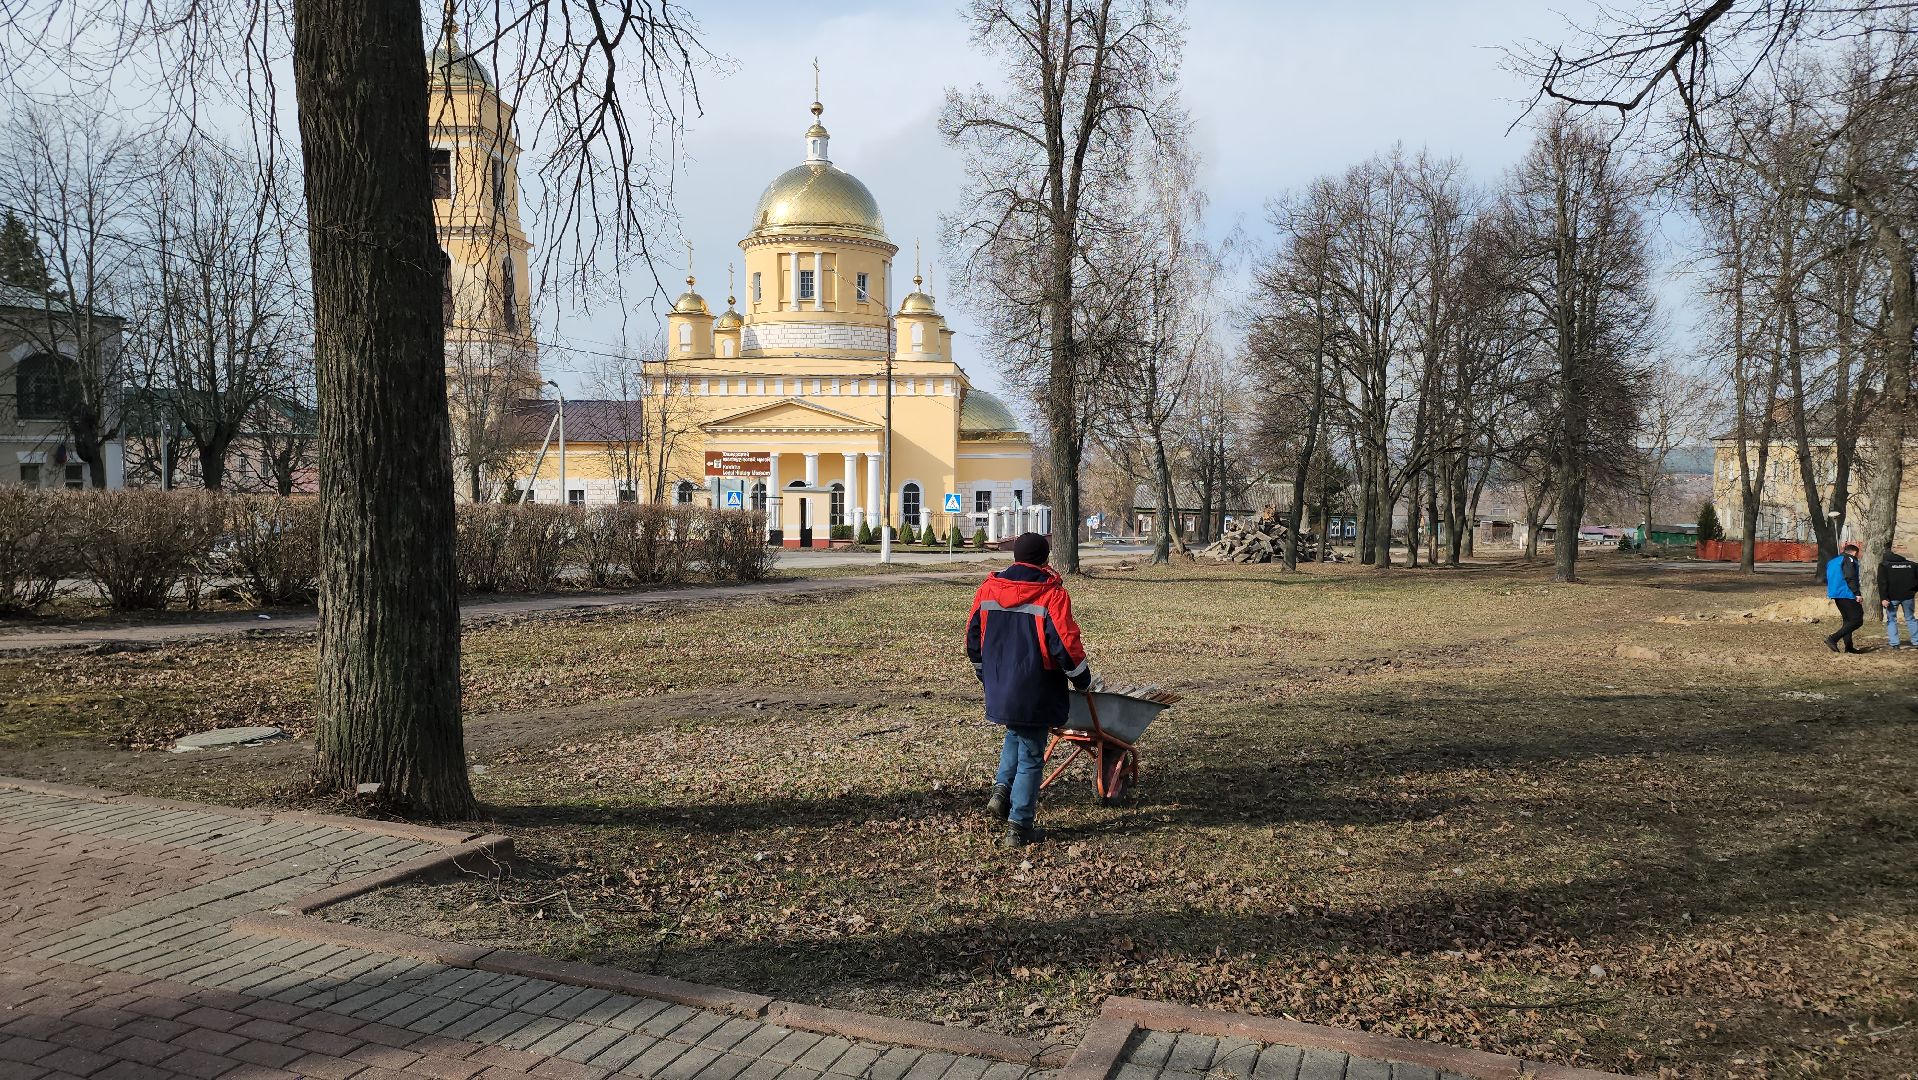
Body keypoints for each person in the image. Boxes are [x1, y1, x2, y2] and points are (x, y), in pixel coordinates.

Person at [965, 531, 1092, 848]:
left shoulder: (989, 589)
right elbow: (1066, 645)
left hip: (1000, 682)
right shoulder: (1052, 595)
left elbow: (973, 637)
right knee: (1033, 754)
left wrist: (984, 673)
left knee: (1015, 732)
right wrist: (1082, 680)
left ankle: (1002, 791)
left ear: (1016, 557)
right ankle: (1020, 826)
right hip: (1037, 686)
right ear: (1045, 559)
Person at [1825, 540, 1865, 653]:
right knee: (1857, 620)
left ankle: (1849, 647)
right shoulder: (1849, 559)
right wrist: (1857, 593)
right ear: (1854, 553)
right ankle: (1833, 638)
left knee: (1848, 621)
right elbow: (1850, 576)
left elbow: (1826, 577)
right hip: (1847, 593)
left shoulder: (1832, 561)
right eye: (1858, 554)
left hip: (1836, 593)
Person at [1880, 547, 1918, 649]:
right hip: (1908, 596)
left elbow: (1882, 583)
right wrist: (1913, 591)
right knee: (1910, 618)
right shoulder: (1912, 565)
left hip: (1891, 597)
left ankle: (1895, 643)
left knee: (1891, 619)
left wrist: (1884, 598)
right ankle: (1916, 641)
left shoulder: (1884, 566)